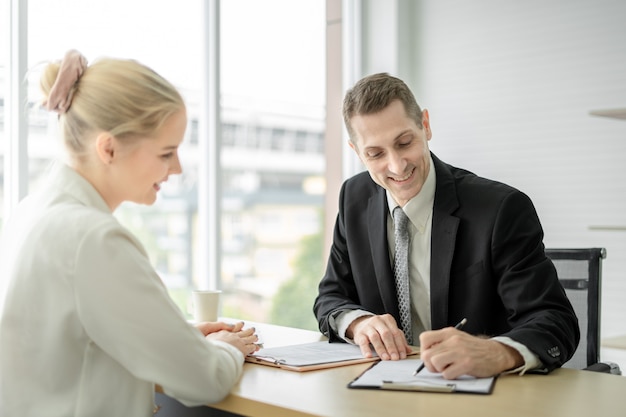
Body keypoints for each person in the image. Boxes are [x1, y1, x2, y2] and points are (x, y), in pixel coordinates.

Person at [0, 50, 259, 416]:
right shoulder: (93, 238)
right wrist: (227, 346)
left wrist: (176, 338)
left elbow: (72, 340)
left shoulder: (32, 210)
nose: (177, 168)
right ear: (108, 148)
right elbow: (204, 378)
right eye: (166, 153)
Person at [313, 72, 579, 379]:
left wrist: (499, 351)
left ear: (425, 125)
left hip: (479, 395)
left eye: (404, 142)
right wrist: (358, 323)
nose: (397, 166)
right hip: (382, 389)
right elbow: (330, 297)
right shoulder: (354, 198)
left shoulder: (500, 209)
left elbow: (556, 321)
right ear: (357, 151)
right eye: (376, 153)